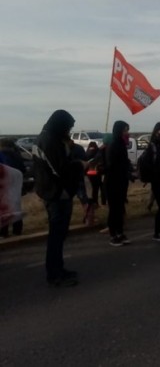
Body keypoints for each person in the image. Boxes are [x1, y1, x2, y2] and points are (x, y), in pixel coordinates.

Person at [33, 109, 85, 287]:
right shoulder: (49, 141)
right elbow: (61, 169)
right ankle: (54, 274)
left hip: (54, 191)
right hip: (56, 193)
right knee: (56, 235)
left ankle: (59, 268)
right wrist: (80, 164)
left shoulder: (48, 138)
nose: (69, 131)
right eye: (68, 127)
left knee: (60, 235)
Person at [105, 120, 132, 246]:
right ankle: (113, 234)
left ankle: (120, 232)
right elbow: (111, 165)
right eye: (125, 130)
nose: (127, 133)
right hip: (113, 182)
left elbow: (124, 162)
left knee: (120, 209)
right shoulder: (114, 144)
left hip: (121, 181)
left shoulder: (122, 144)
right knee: (114, 209)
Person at [0, 138, 26, 237]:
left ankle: (3, 232)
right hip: (16, 185)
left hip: (3, 186)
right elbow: (23, 169)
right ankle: (17, 231)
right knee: (16, 207)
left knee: (3, 209)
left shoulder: (1, 155)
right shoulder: (17, 155)